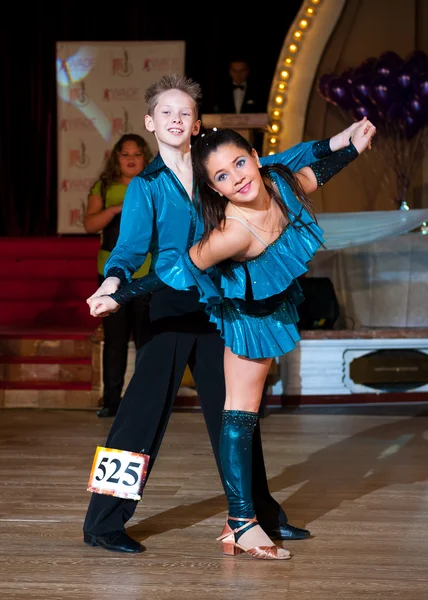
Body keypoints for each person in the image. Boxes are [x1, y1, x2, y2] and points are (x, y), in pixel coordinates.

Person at [83, 72, 371, 556]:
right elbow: (130, 250)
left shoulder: (217, 170)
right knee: (137, 418)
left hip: (221, 307)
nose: (176, 119)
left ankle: (258, 516)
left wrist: (335, 144)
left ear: (196, 124)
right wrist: (114, 283)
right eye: (167, 112)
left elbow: (281, 164)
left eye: (185, 112)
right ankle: (103, 520)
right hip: (170, 311)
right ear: (151, 122)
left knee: (236, 417)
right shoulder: (146, 187)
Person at [83, 134, 153, 417]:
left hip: (148, 272)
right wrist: (114, 209)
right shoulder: (104, 186)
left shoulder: (153, 183)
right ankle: (111, 401)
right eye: (126, 154)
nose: (131, 159)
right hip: (109, 271)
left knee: (146, 339)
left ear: (145, 157)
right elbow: (89, 224)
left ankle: (147, 400)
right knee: (115, 340)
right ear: (117, 158)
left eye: (137, 154)